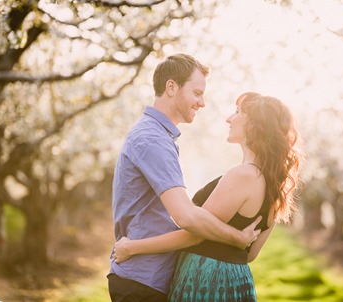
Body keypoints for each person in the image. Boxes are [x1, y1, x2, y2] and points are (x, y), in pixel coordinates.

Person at [113, 92, 304, 301]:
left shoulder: (243, 175)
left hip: (207, 279)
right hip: (237, 280)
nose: (229, 119)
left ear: (255, 124)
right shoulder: (276, 188)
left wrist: (131, 247)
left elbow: (194, 234)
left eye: (238, 112)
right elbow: (249, 254)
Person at [108, 54, 262, 302]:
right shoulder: (152, 139)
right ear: (171, 87)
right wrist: (238, 238)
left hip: (149, 276)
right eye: (197, 93)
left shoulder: (159, 137)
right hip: (142, 281)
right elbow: (186, 216)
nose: (202, 103)